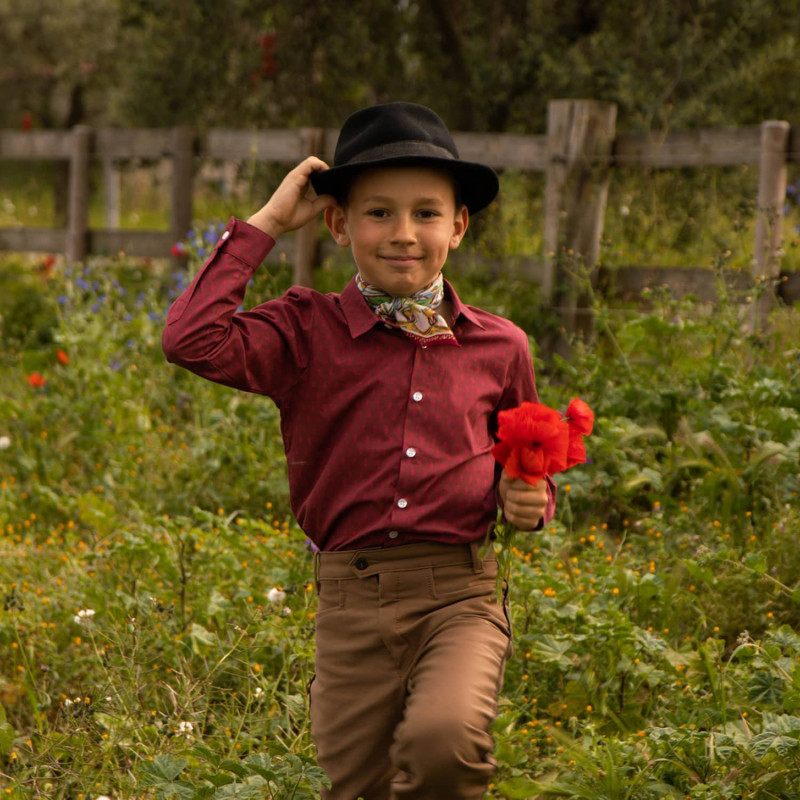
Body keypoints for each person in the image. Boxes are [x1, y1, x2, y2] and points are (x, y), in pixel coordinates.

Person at [162, 102, 555, 800]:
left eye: (427, 214)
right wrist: (269, 225)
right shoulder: (303, 331)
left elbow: (523, 461)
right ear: (338, 223)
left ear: (458, 226)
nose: (403, 234)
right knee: (358, 783)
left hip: (458, 593)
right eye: (377, 213)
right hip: (352, 596)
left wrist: (529, 497)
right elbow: (191, 340)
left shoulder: (501, 346)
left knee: (445, 744)